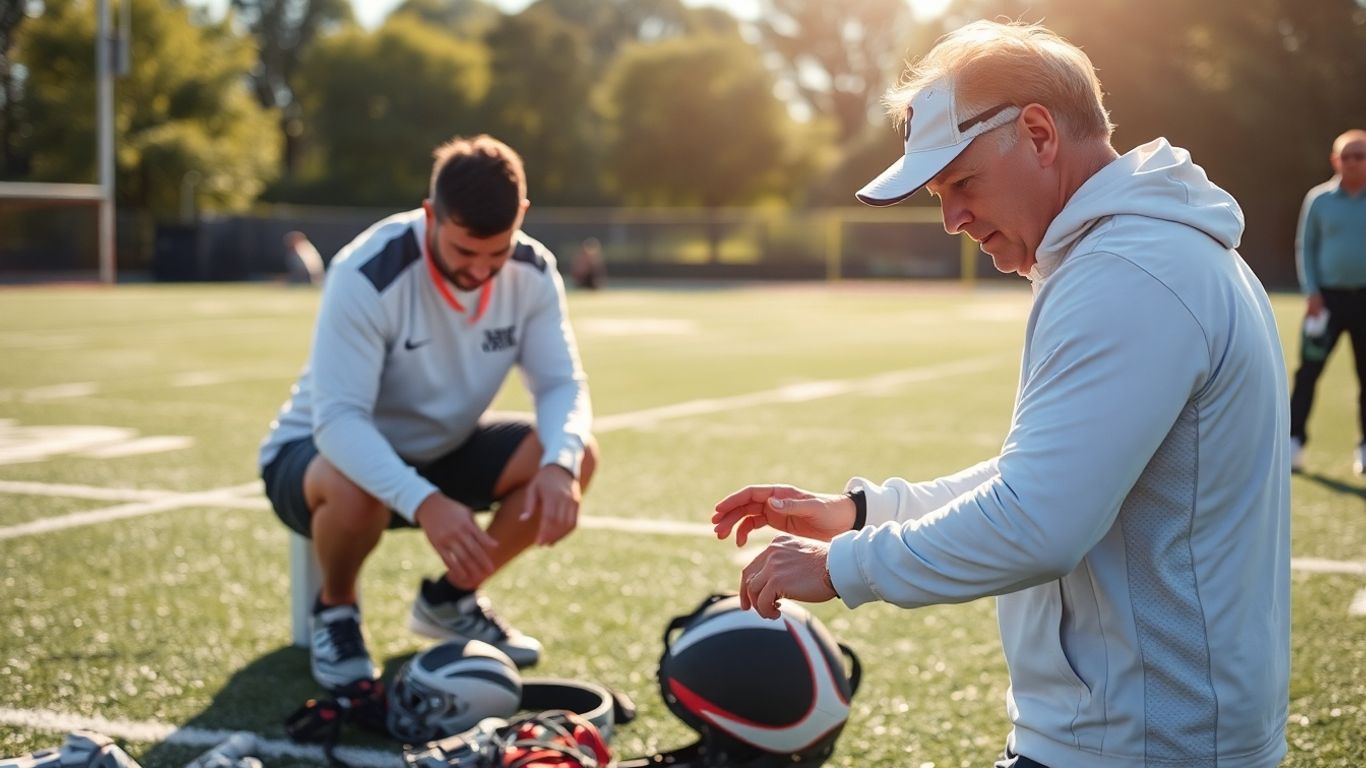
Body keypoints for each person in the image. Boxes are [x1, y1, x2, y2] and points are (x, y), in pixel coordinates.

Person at [712, 21, 1289, 768]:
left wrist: (841, 567)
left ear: (1039, 135)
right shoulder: (1142, 254)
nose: (951, 218)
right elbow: (1051, 477)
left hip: (1138, 746)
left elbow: (1038, 521)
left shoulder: (1128, 272)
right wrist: (862, 513)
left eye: (961, 182)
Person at [259, 135, 596, 689]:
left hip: (440, 449)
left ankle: (450, 601)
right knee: (353, 479)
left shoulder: (534, 270)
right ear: (429, 213)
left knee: (573, 454)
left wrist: (560, 465)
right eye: (466, 252)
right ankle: (336, 610)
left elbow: (561, 384)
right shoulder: (367, 271)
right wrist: (427, 503)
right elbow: (338, 422)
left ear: (523, 217)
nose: (482, 271)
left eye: (498, 251)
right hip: (317, 459)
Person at [1288, 128, 1366, 473]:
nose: (1352, 162)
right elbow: (1306, 247)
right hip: (1326, 302)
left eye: (1359, 155)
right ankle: (1293, 442)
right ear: (1336, 160)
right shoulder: (1318, 199)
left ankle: (1364, 447)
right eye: (1346, 156)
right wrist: (1313, 293)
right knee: (1308, 373)